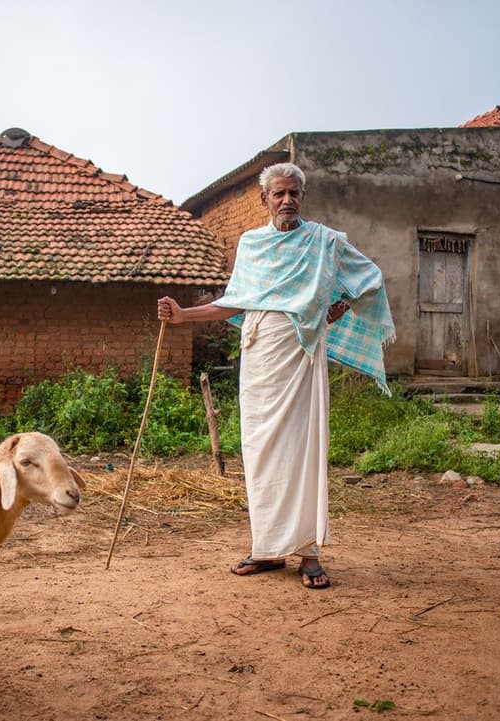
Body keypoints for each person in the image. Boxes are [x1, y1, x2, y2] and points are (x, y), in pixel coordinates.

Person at [157, 162, 394, 589]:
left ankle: (308, 553)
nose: (287, 200)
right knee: (261, 450)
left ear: (302, 197)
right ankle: (266, 548)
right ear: (264, 200)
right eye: (279, 194)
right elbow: (234, 302)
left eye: (294, 194)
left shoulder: (323, 241)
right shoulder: (250, 244)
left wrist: (337, 306)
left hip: (301, 356)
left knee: (302, 451)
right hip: (260, 358)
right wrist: (182, 316)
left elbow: (370, 278)